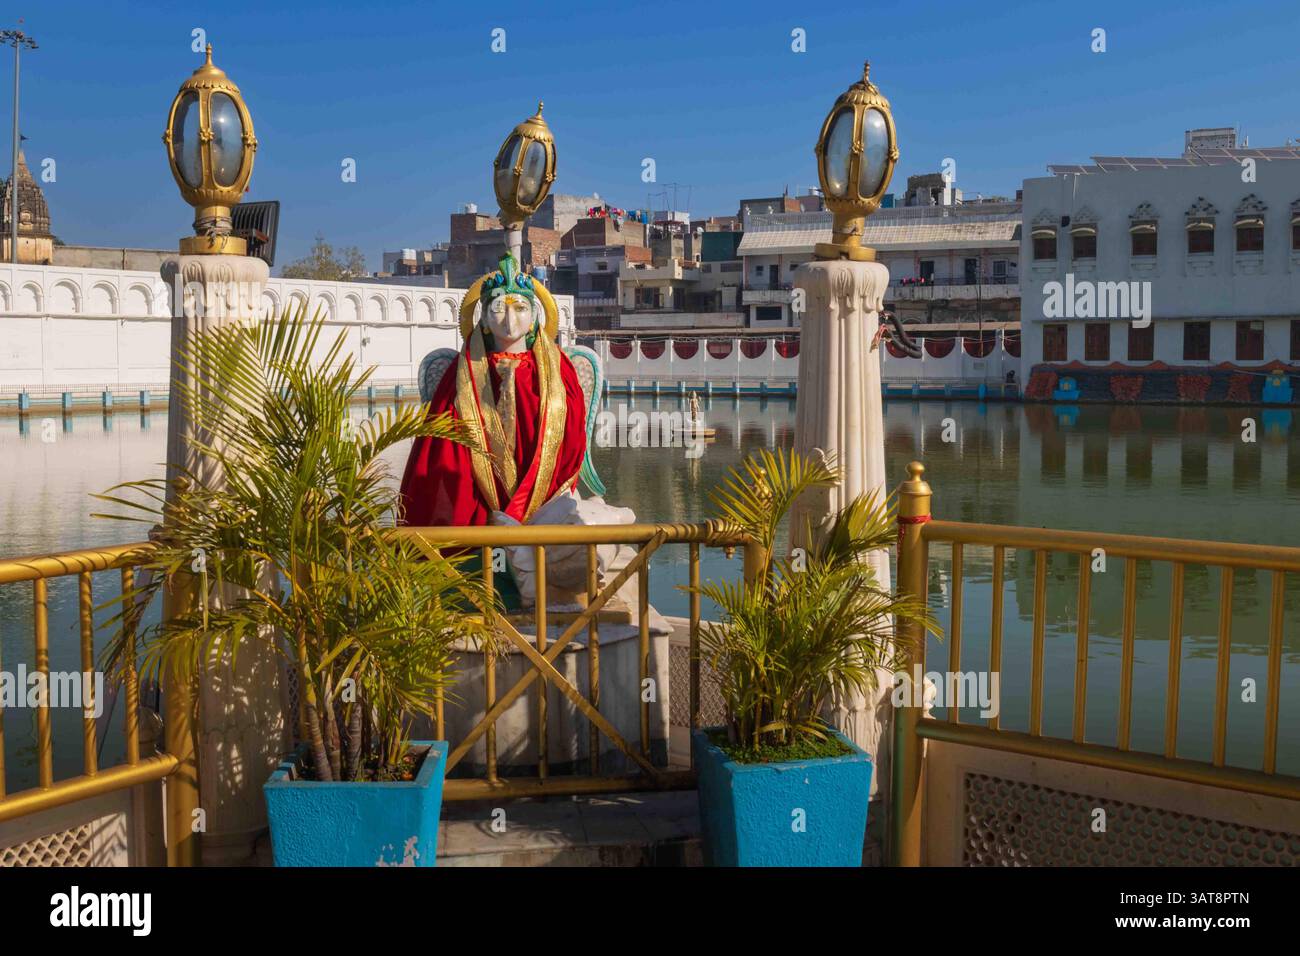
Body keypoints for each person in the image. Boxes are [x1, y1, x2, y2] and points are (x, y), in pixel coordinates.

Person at [398, 253, 587, 528]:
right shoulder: (461, 375)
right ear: (484, 320)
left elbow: (572, 436)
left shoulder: (559, 372)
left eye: (521, 308)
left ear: (535, 317)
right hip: (479, 501)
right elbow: (442, 447)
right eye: (499, 308)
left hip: (546, 499)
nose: (510, 319)